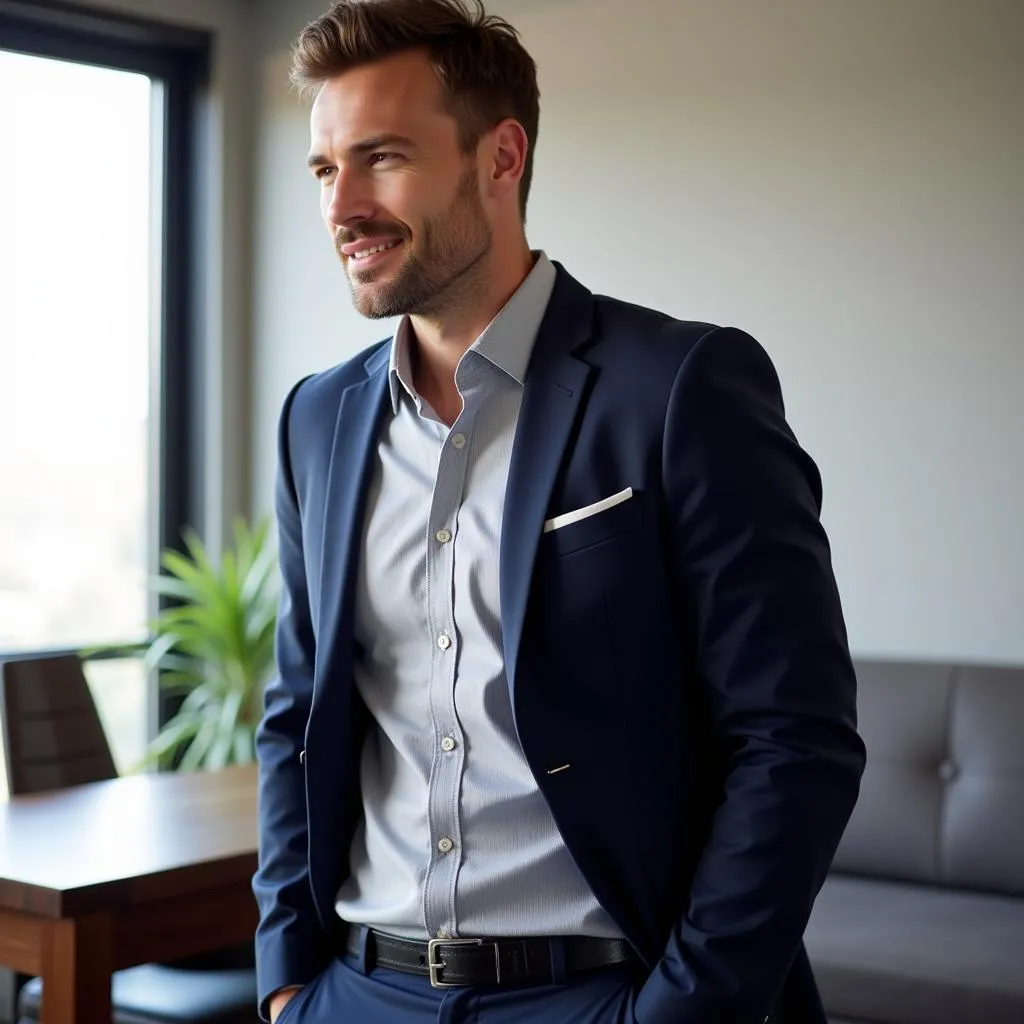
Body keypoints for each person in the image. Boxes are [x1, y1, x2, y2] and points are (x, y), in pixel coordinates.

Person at [252, 1, 866, 1022]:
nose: (342, 205)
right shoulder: (316, 418)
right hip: (358, 991)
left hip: (600, 994)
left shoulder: (681, 387)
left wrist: (681, 1010)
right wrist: (285, 981)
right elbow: (295, 715)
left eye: (383, 158)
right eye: (324, 169)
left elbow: (795, 738)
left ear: (500, 157)